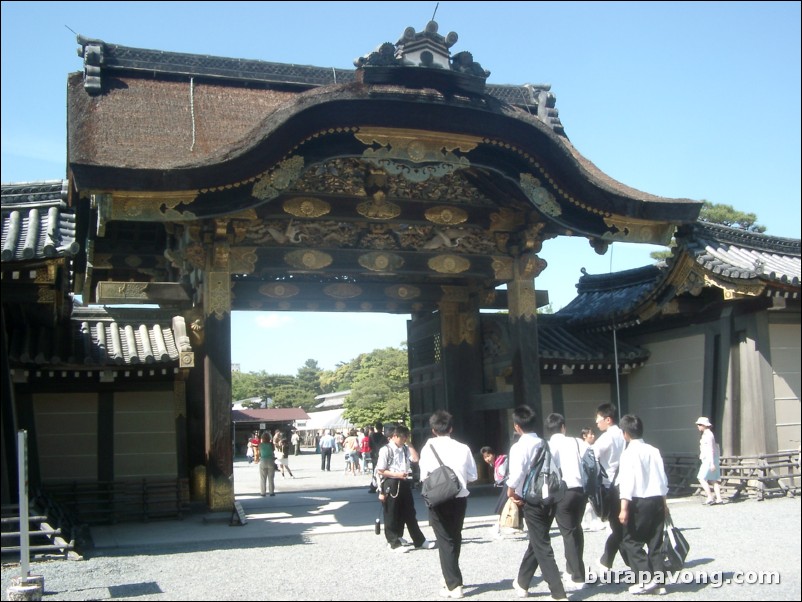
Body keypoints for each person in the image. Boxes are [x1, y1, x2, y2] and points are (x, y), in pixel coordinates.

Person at [506, 405, 568, 601]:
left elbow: (517, 474)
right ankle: (522, 582)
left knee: (541, 544)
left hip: (531, 498)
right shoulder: (544, 443)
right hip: (550, 495)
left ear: (517, 426)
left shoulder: (518, 447)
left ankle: (558, 592)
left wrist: (510, 490)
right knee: (538, 539)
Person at [419, 410, 477, 599]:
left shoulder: (428, 448)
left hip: (437, 498)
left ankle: (453, 584)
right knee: (455, 536)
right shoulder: (463, 447)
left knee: (445, 540)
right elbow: (473, 476)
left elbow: (424, 476)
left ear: (433, 430)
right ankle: (450, 577)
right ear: (451, 428)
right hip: (459, 497)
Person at [617, 414, 669, 595]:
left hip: (638, 501)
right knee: (655, 542)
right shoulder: (653, 450)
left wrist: (623, 508)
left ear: (625, 434)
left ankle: (645, 579)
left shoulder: (628, 453)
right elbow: (662, 478)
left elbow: (626, 482)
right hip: (657, 499)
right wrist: (665, 503)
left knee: (631, 541)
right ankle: (660, 583)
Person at [375, 424, 435, 553]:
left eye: (406, 437)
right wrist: (396, 475)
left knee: (409, 512)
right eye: (403, 437)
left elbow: (415, 459)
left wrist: (410, 444)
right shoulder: (386, 450)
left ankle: (419, 540)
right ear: (395, 436)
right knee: (391, 513)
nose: (404, 439)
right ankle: (393, 541)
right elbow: (380, 470)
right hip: (391, 481)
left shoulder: (404, 448)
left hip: (404, 481)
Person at [545, 413, 587, 592]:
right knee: (577, 530)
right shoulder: (577, 441)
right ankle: (577, 570)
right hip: (580, 490)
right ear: (563, 427)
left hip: (563, 491)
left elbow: (547, 468)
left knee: (568, 534)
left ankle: (576, 576)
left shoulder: (549, 445)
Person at [592, 402, 629, 574]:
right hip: (623, 482)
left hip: (610, 486)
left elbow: (592, 456)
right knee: (619, 526)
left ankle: (607, 561)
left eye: (598, 419)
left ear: (608, 419)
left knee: (617, 527)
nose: (597, 423)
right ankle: (628, 561)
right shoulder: (623, 434)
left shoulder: (607, 437)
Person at [480, 445, 510, 536]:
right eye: (485, 457)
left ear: (493, 454)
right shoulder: (495, 463)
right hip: (506, 486)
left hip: (509, 486)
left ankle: (498, 527)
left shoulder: (503, 461)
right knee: (505, 506)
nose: (487, 459)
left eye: (488, 456)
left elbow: (505, 474)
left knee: (502, 506)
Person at [579, 428, 605, 531]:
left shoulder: (592, 447)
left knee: (594, 500)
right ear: (584, 436)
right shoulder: (583, 448)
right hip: (589, 477)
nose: (593, 436)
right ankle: (584, 520)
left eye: (593, 434)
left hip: (594, 476)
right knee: (591, 501)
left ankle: (594, 521)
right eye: (590, 434)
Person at [695, 417, 724, 505]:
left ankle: (710, 496)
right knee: (713, 480)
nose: (698, 426)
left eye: (699, 425)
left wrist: (711, 463)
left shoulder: (708, 435)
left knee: (701, 478)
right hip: (711, 458)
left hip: (709, 459)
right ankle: (719, 498)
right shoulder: (707, 434)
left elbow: (711, 449)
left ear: (704, 425)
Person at [368, 421, 389, 493]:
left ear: (376, 428)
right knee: (383, 469)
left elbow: (370, 445)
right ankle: (383, 485)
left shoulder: (372, 436)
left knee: (375, 470)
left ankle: (374, 486)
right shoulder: (384, 437)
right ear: (382, 428)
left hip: (374, 455)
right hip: (383, 455)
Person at [258, 432, 277, 497]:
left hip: (263, 461)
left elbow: (260, 452)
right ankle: (271, 492)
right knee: (271, 478)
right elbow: (273, 450)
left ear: (262, 438)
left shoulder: (260, 445)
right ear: (269, 438)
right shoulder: (271, 444)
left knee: (263, 478)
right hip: (271, 461)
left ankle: (263, 492)